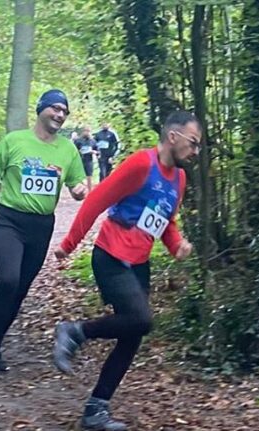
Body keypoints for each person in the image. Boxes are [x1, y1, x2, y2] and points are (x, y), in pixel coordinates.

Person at [52, 111, 202, 430]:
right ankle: (75, 331)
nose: (195, 151)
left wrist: (177, 245)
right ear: (173, 136)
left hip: (138, 262)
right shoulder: (141, 164)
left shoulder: (179, 179)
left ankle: (96, 410)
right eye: (193, 143)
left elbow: (164, 221)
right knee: (141, 319)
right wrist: (69, 243)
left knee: (133, 333)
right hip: (110, 255)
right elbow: (96, 200)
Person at [0, 89, 88, 378]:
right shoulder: (15, 141)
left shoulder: (67, 149)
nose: (60, 115)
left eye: (65, 111)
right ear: (41, 109)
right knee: (7, 280)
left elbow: (79, 183)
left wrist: (81, 189)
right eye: (55, 108)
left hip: (41, 226)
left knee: (20, 291)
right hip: (9, 220)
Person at [74, 126, 97, 193]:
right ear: (82, 132)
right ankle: (80, 190)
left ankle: (90, 192)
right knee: (79, 176)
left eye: (88, 131)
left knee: (89, 176)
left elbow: (97, 151)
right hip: (80, 160)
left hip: (89, 160)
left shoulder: (93, 141)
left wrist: (94, 152)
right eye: (85, 131)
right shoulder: (78, 140)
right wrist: (79, 152)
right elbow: (73, 150)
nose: (87, 133)